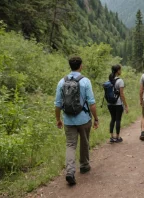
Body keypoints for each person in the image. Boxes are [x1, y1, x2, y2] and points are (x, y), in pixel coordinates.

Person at [55, 56, 99, 185]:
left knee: (70, 145)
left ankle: (70, 171)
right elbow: (92, 103)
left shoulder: (61, 82)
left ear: (70, 66)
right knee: (84, 142)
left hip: (68, 120)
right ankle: (84, 166)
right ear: (81, 66)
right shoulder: (85, 81)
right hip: (84, 119)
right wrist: (96, 118)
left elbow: (58, 104)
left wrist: (58, 119)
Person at [107, 64, 128, 143]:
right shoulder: (120, 81)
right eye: (120, 70)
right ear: (118, 71)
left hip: (110, 103)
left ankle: (111, 137)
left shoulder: (109, 80)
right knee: (118, 120)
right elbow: (122, 94)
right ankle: (117, 137)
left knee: (112, 119)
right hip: (118, 103)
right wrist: (126, 105)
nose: (121, 71)